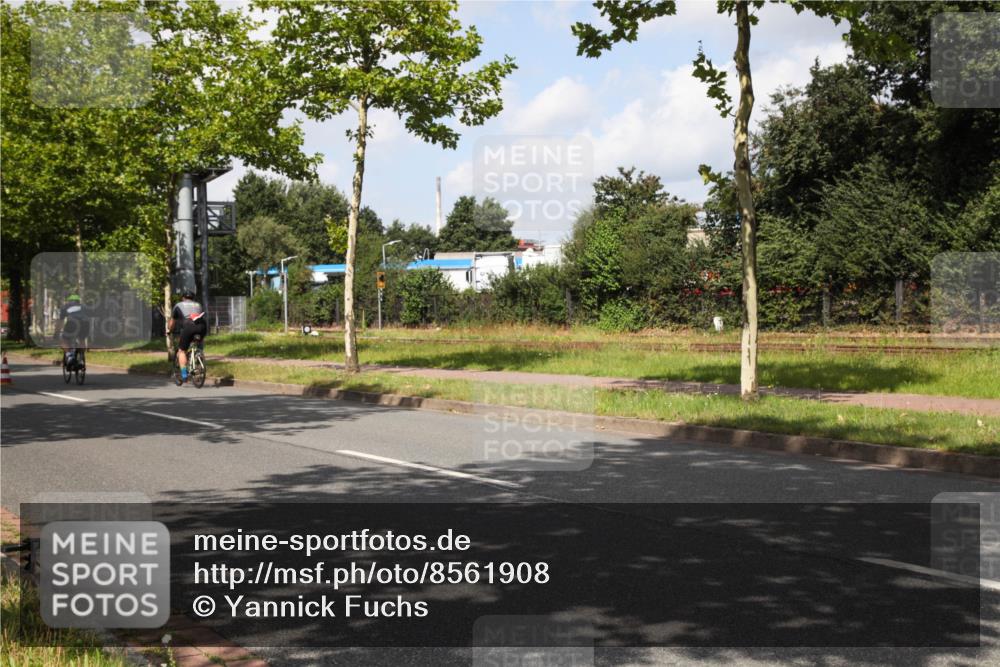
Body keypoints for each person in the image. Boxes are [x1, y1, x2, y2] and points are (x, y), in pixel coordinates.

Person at [171, 289, 207, 382]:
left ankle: (184, 374)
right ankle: (199, 358)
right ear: (193, 298)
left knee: (181, 351)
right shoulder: (198, 305)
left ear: (183, 298)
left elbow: (172, 322)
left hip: (188, 326)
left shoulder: (178, 305)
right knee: (198, 344)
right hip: (202, 326)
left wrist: (169, 330)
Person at [57, 294, 89, 368]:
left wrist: (57, 332)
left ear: (69, 301)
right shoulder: (84, 307)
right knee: (82, 340)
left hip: (72, 323)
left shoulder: (65, 307)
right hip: (85, 324)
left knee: (64, 340)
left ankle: (69, 356)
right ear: (78, 301)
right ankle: (81, 358)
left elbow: (61, 321)